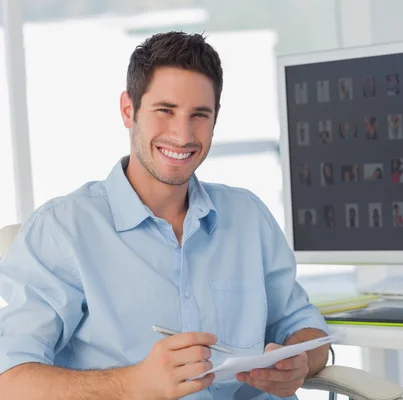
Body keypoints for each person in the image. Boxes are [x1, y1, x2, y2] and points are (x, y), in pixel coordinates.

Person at [0, 32, 330, 400]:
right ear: (129, 110)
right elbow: (11, 379)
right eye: (165, 111)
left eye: (199, 115)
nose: (182, 134)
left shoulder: (249, 217)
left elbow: (305, 328)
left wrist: (298, 362)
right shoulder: (62, 231)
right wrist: (133, 384)